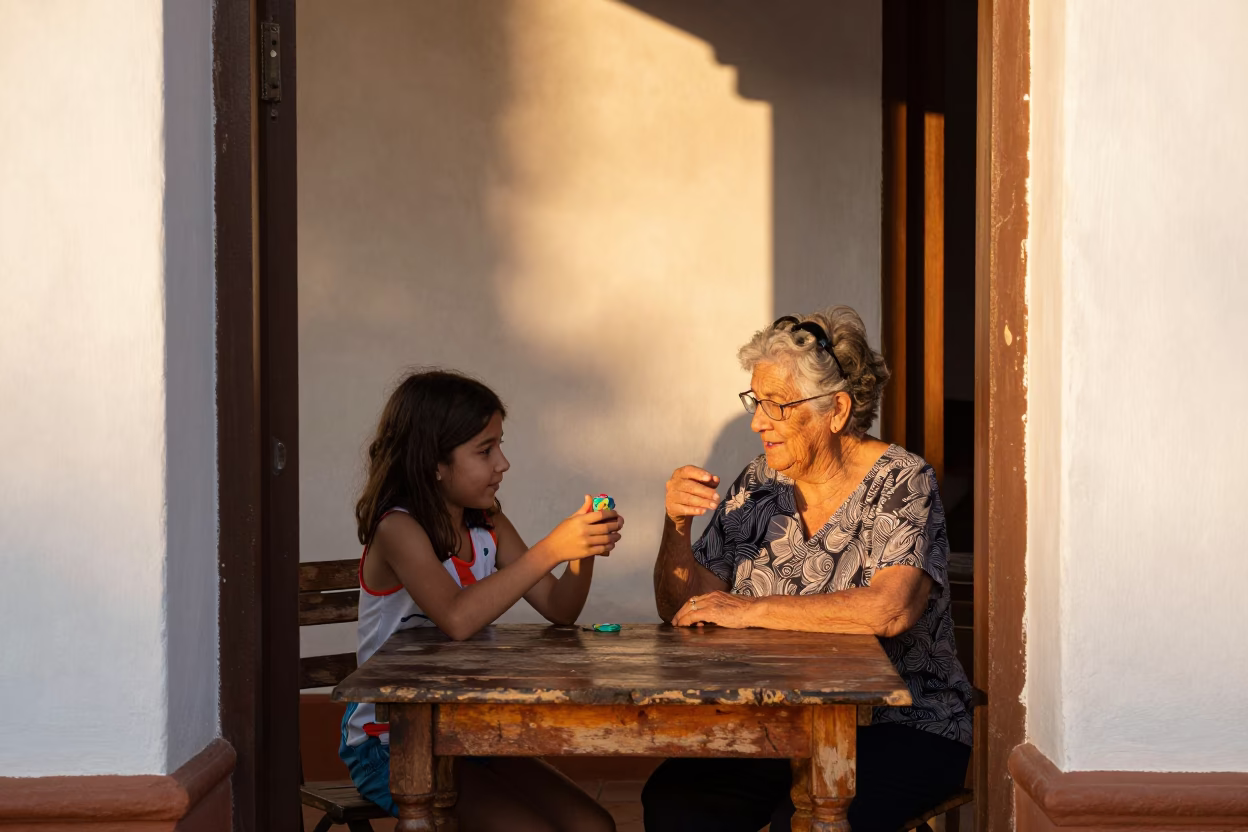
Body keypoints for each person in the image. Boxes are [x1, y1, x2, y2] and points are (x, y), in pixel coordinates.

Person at [643, 307, 973, 832]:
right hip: (782, 721)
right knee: (677, 803)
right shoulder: (758, 485)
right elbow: (684, 607)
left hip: (903, 724)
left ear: (837, 410)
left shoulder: (903, 481)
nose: (757, 422)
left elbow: (890, 608)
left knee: (810, 820)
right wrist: (676, 525)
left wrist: (749, 611)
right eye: (755, 401)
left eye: (775, 405)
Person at [341, 369, 621, 832]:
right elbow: (456, 617)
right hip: (392, 741)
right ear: (435, 463)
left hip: (469, 729)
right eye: (485, 450)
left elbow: (559, 608)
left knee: (595, 826)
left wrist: (581, 550)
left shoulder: (485, 522)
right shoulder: (399, 529)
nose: (503, 463)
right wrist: (550, 547)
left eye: (500, 445)